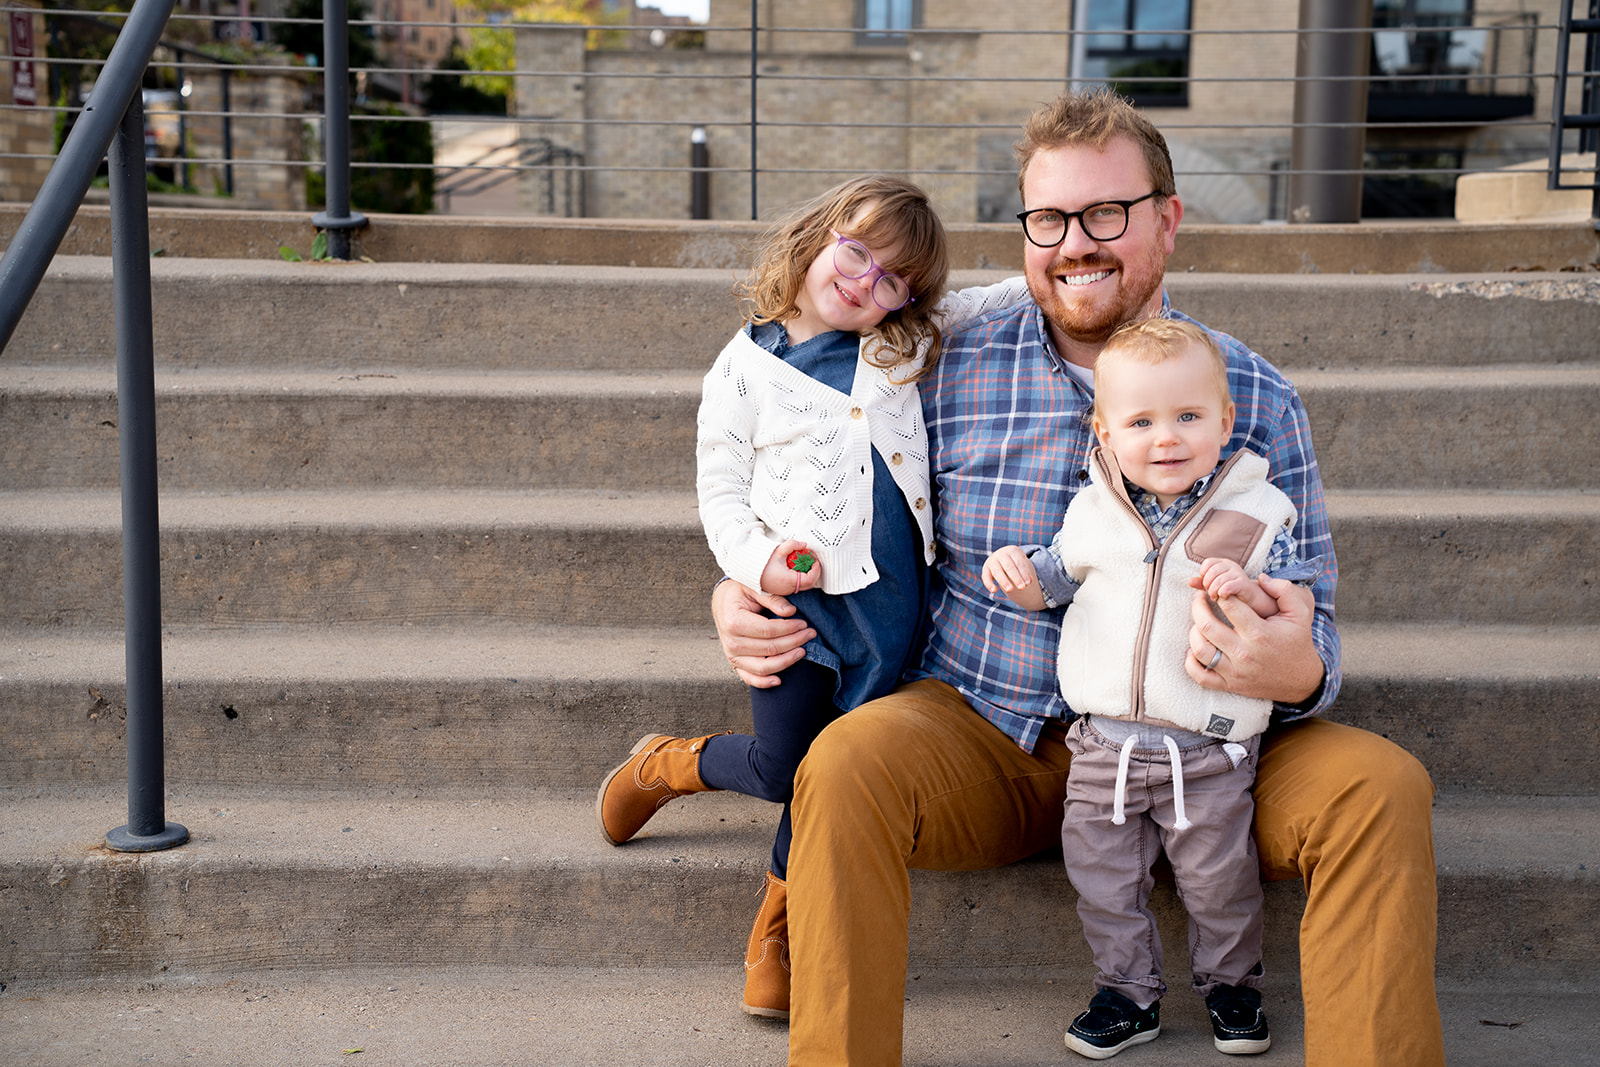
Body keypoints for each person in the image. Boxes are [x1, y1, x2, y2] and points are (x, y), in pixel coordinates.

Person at [712, 89, 1444, 1067]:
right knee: (844, 763)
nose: (1075, 244)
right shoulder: (939, 357)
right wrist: (742, 581)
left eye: (1106, 213)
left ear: (1167, 219)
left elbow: (1315, 619)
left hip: (1204, 746)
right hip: (989, 727)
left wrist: (1299, 670)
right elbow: (795, 458)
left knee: (1379, 786)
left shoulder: (1252, 391)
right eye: (1049, 219)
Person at [595, 174, 1028, 1021]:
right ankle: (668, 763)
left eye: (896, 279)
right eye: (858, 252)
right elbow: (719, 494)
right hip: (801, 619)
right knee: (786, 766)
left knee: (832, 775)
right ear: (819, 234)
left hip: (895, 621)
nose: (869, 282)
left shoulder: (897, 345)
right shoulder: (745, 367)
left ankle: (779, 930)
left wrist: (1068, 269)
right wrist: (757, 566)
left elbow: (991, 302)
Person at [983, 318, 1323, 1058]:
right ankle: (1127, 994)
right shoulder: (1092, 511)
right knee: (1103, 880)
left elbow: (1292, 607)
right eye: (1141, 421)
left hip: (1205, 750)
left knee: (1218, 880)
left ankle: (1233, 987)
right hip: (1104, 746)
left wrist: (1254, 591)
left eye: (1188, 416)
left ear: (1224, 421)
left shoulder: (1258, 511)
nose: (1166, 437)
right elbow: (1054, 578)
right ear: (1104, 432)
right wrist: (1017, 573)